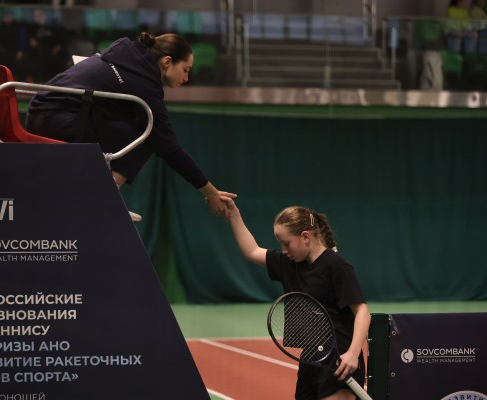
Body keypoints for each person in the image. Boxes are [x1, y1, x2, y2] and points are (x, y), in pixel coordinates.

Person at [26, 32, 235, 221]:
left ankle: (99, 192)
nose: (186, 78)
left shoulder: (128, 54)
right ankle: (104, 196)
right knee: (149, 133)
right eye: (185, 70)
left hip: (41, 112)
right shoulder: (144, 83)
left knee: (143, 126)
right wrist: (210, 192)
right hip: (56, 119)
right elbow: (169, 147)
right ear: (167, 62)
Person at [219, 195, 370, 400]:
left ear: (305, 237)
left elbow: (362, 311)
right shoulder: (288, 264)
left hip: (339, 359)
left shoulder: (336, 265)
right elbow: (251, 251)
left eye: (286, 243)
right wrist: (233, 214)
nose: (284, 250)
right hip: (310, 359)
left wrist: (353, 353)